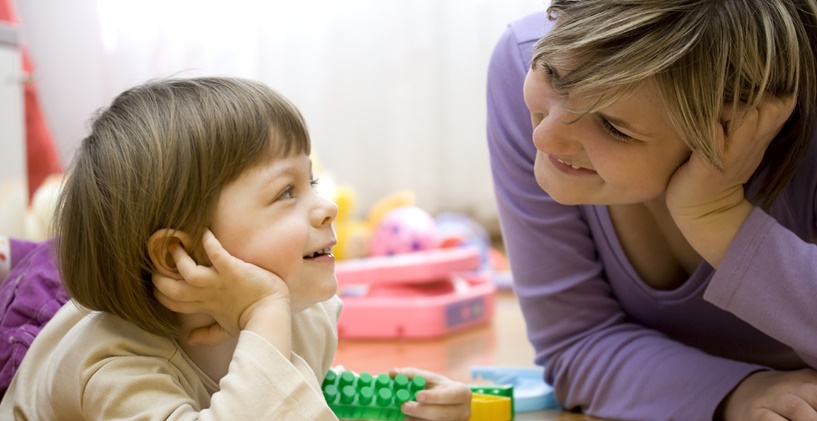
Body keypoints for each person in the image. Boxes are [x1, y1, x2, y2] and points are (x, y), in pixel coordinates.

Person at [0, 76, 471, 420]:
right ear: (178, 258)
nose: (327, 206)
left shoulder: (301, 315)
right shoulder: (110, 370)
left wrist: (403, 408)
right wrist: (265, 312)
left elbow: (289, 393)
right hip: (38, 329)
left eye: (309, 182)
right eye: (286, 193)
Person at [487, 1, 817, 420]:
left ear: (734, 123)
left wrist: (717, 217)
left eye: (613, 126)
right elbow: (576, 344)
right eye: (552, 75)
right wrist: (738, 392)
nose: (544, 136)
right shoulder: (523, 56)